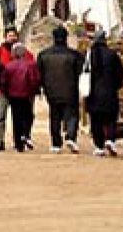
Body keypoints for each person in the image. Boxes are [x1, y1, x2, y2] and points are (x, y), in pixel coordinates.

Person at [37, 25, 83, 154]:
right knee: (72, 114)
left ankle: (56, 143)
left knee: (55, 116)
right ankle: (70, 136)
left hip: (51, 90)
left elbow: (39, 74)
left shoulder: (43, 55)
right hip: (70, 89)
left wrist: (41, 88)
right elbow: (80, 72)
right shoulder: (75, 55)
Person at [0, 28, 34, 151]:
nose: (12, 38)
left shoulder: (25, 52)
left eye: (14, 35)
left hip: (19, 90)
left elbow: (31, 66)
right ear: (5, 37)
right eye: (9, 35)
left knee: (19, 116)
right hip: (2, 90)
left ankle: (19, 140)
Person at [85, 32, 123, 157]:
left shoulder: (90, 55)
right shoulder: (113, 55)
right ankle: (110, 139)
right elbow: (120, 73)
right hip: (110, 92)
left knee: (96, 120)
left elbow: (84, 72)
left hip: (93, 93)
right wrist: (116, 86)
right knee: (111, 118)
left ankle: (99, 146)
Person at [0, 43, 41, 152]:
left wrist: (5, 92)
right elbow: (36, 79)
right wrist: (35, 90)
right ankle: (25, 134)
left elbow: (4, 81)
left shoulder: (9, 66)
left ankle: (18, 142)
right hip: (28, 94)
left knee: (16, 117)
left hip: (13, 95)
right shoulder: (31, 65)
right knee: (28, 115)